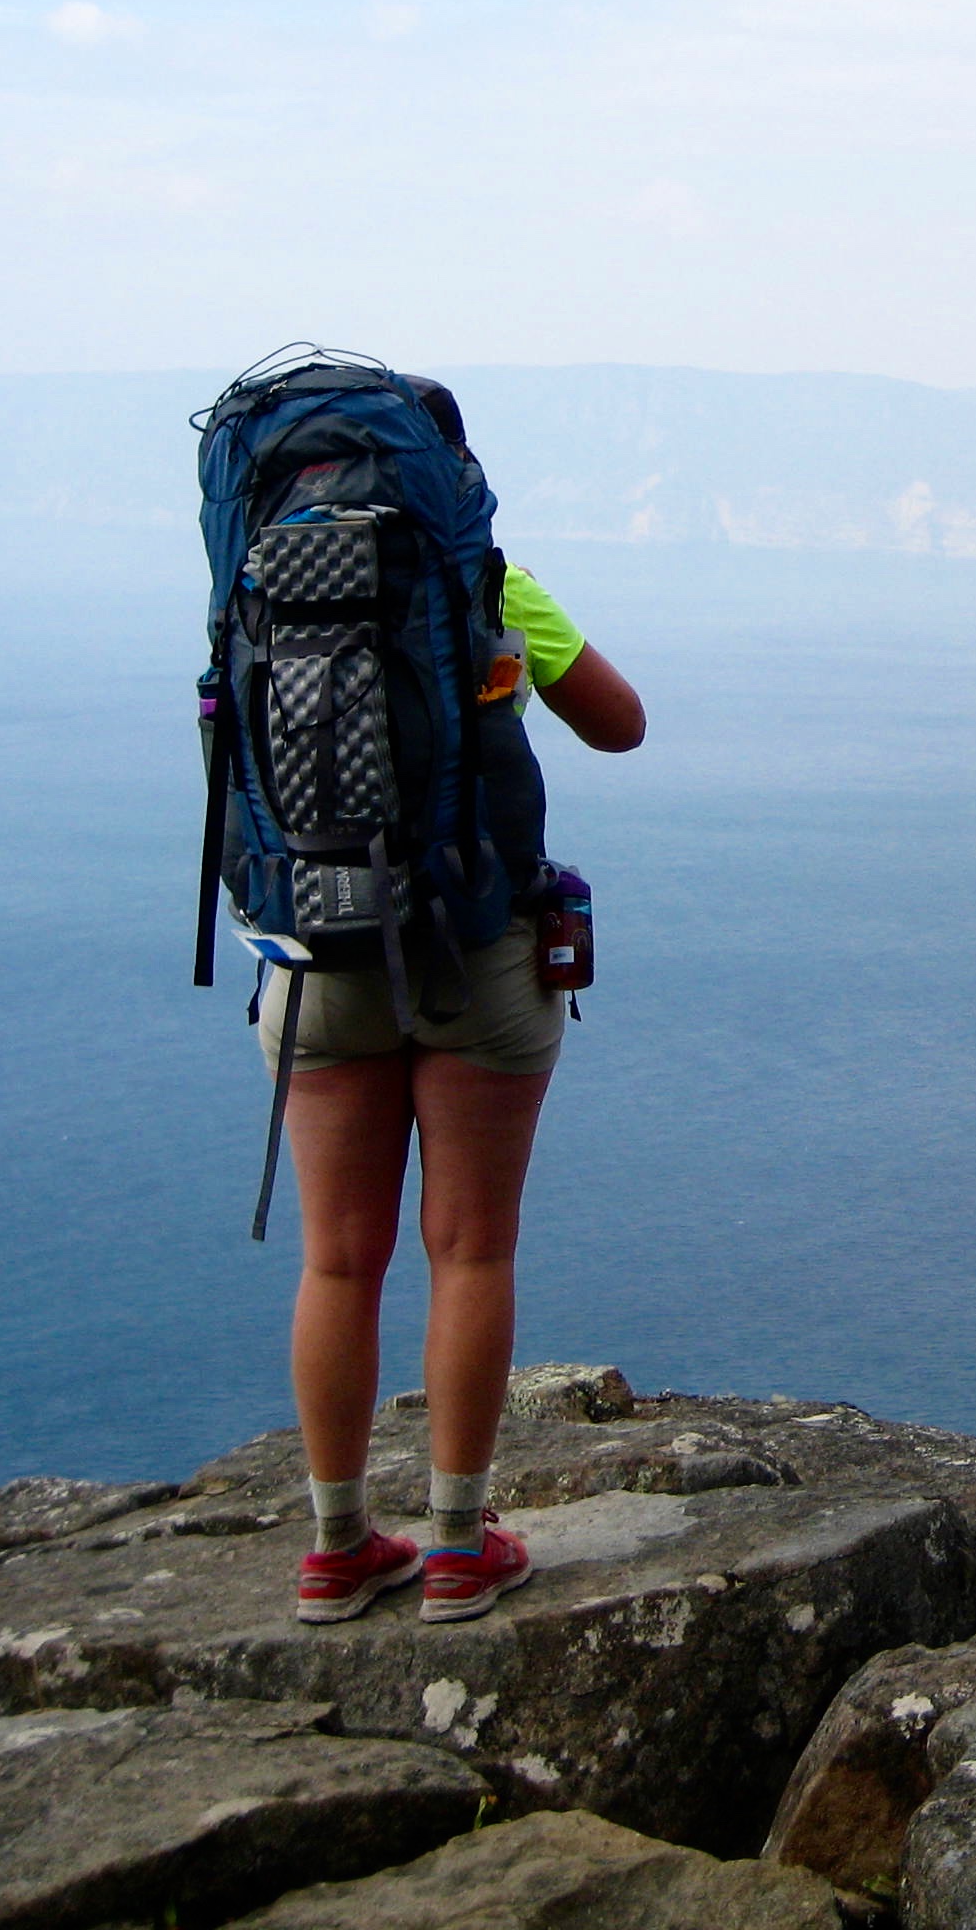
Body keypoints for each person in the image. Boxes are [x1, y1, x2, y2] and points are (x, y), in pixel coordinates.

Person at [271, 384, 646, 1625]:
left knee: (338, 1258)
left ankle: (334, 1547)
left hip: (318, 957)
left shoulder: (266, 582)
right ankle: (454, 1544)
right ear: (451, 472)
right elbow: (621, 727)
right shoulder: (487, 581)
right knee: (469, 1246)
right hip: (476, 946)